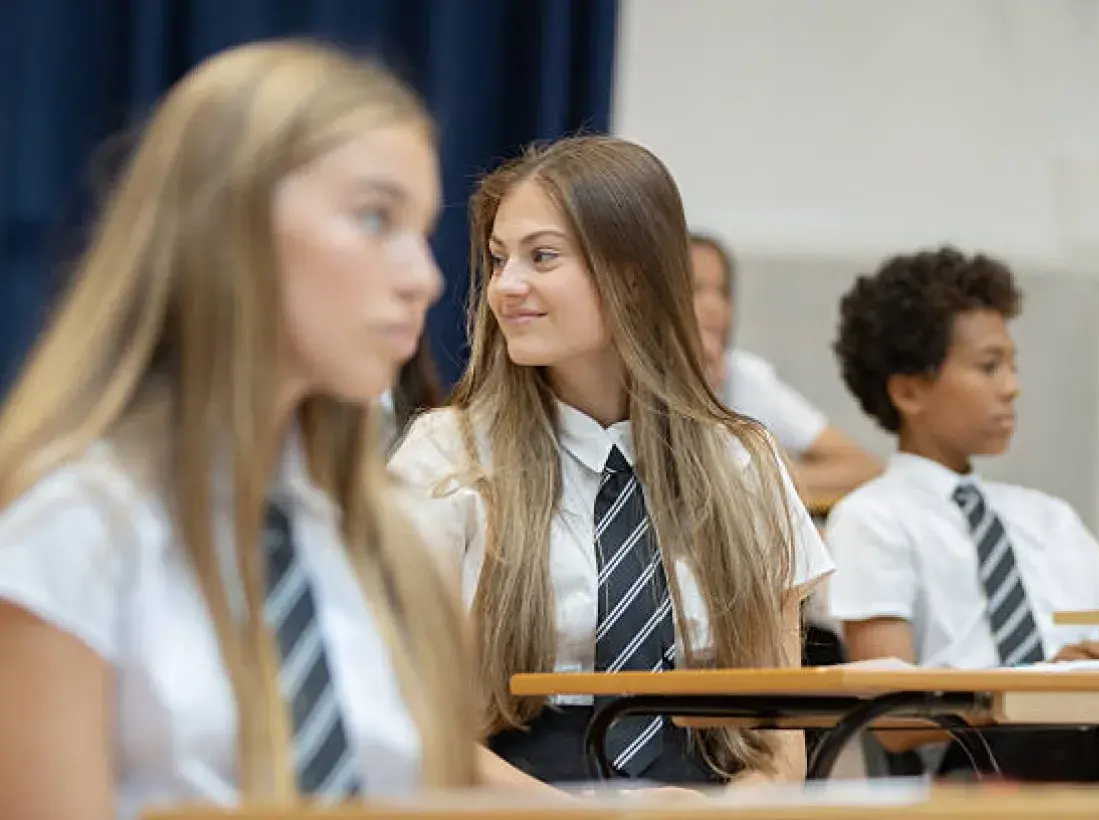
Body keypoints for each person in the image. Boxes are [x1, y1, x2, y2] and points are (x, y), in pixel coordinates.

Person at [0, 40, 477, 820]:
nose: (424, 277)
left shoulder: (392, 547)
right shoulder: (71, 533)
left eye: (422, 230)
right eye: (374, 217)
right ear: (229, 223)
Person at [390, 135, 834, 788]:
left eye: (542, 257)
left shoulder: (744, 461)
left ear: (631, 274)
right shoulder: (446, 455)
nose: (507, 287)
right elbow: (419, 727)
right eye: (498, 259)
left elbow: (775, 740)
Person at [824, 246, 1099, 779]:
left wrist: (1096, 658)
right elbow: (890, 714)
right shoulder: (873, 519)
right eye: (989, 366)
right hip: (978, 768)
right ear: (909, 390)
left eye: (1013, 366)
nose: (1012, 387)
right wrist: (1031, 685)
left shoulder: (1047, 516)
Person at [689, 232, 880, 503]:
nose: (714, 306)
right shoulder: (627, 380)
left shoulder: (744, 376)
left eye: (722, 292)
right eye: (694, 290)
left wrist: (764, 479)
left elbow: (865, 468)